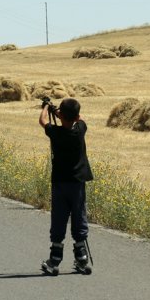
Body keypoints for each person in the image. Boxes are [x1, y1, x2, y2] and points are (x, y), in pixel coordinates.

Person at [39, 98, 94, 276]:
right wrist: (60, 112)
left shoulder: (55, 132)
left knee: (59, 218)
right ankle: (82, 258)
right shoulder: (80, 130)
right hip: (78, 183)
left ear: (61, 115)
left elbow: (43, 121)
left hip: (60, 183)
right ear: (77, 116)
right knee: (79, 216)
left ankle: (54, 260)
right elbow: (77, 119)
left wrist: (47, 108)